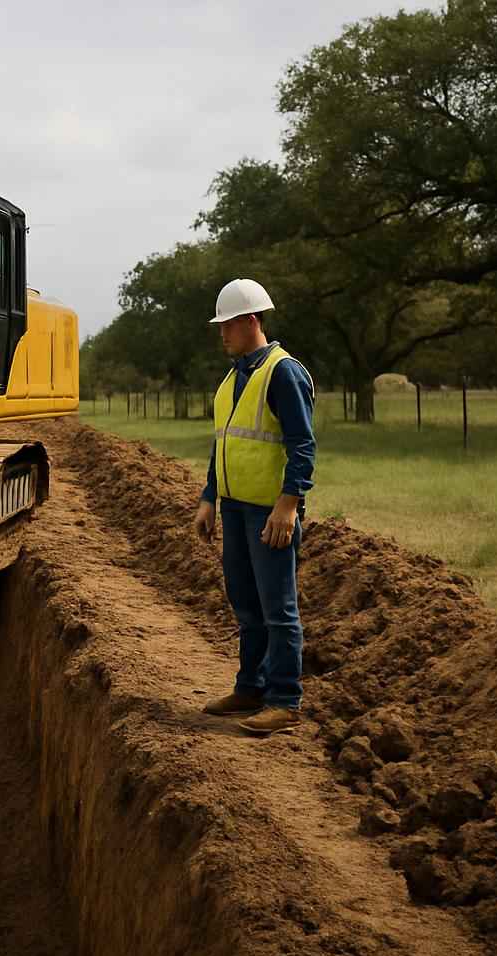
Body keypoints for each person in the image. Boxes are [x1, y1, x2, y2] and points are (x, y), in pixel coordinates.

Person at [192, 279, 316, 736]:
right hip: (235, 508)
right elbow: (222, 443)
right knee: (246, 603)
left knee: (278, 608)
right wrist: (210, 497)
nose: (222, 334)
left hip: (269, 513)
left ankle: (284, 700)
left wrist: (289, 504)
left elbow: (303, 446)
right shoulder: (232, 378)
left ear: (250, 321)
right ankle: (250, 688)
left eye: (227, 325)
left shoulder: (283, 373)